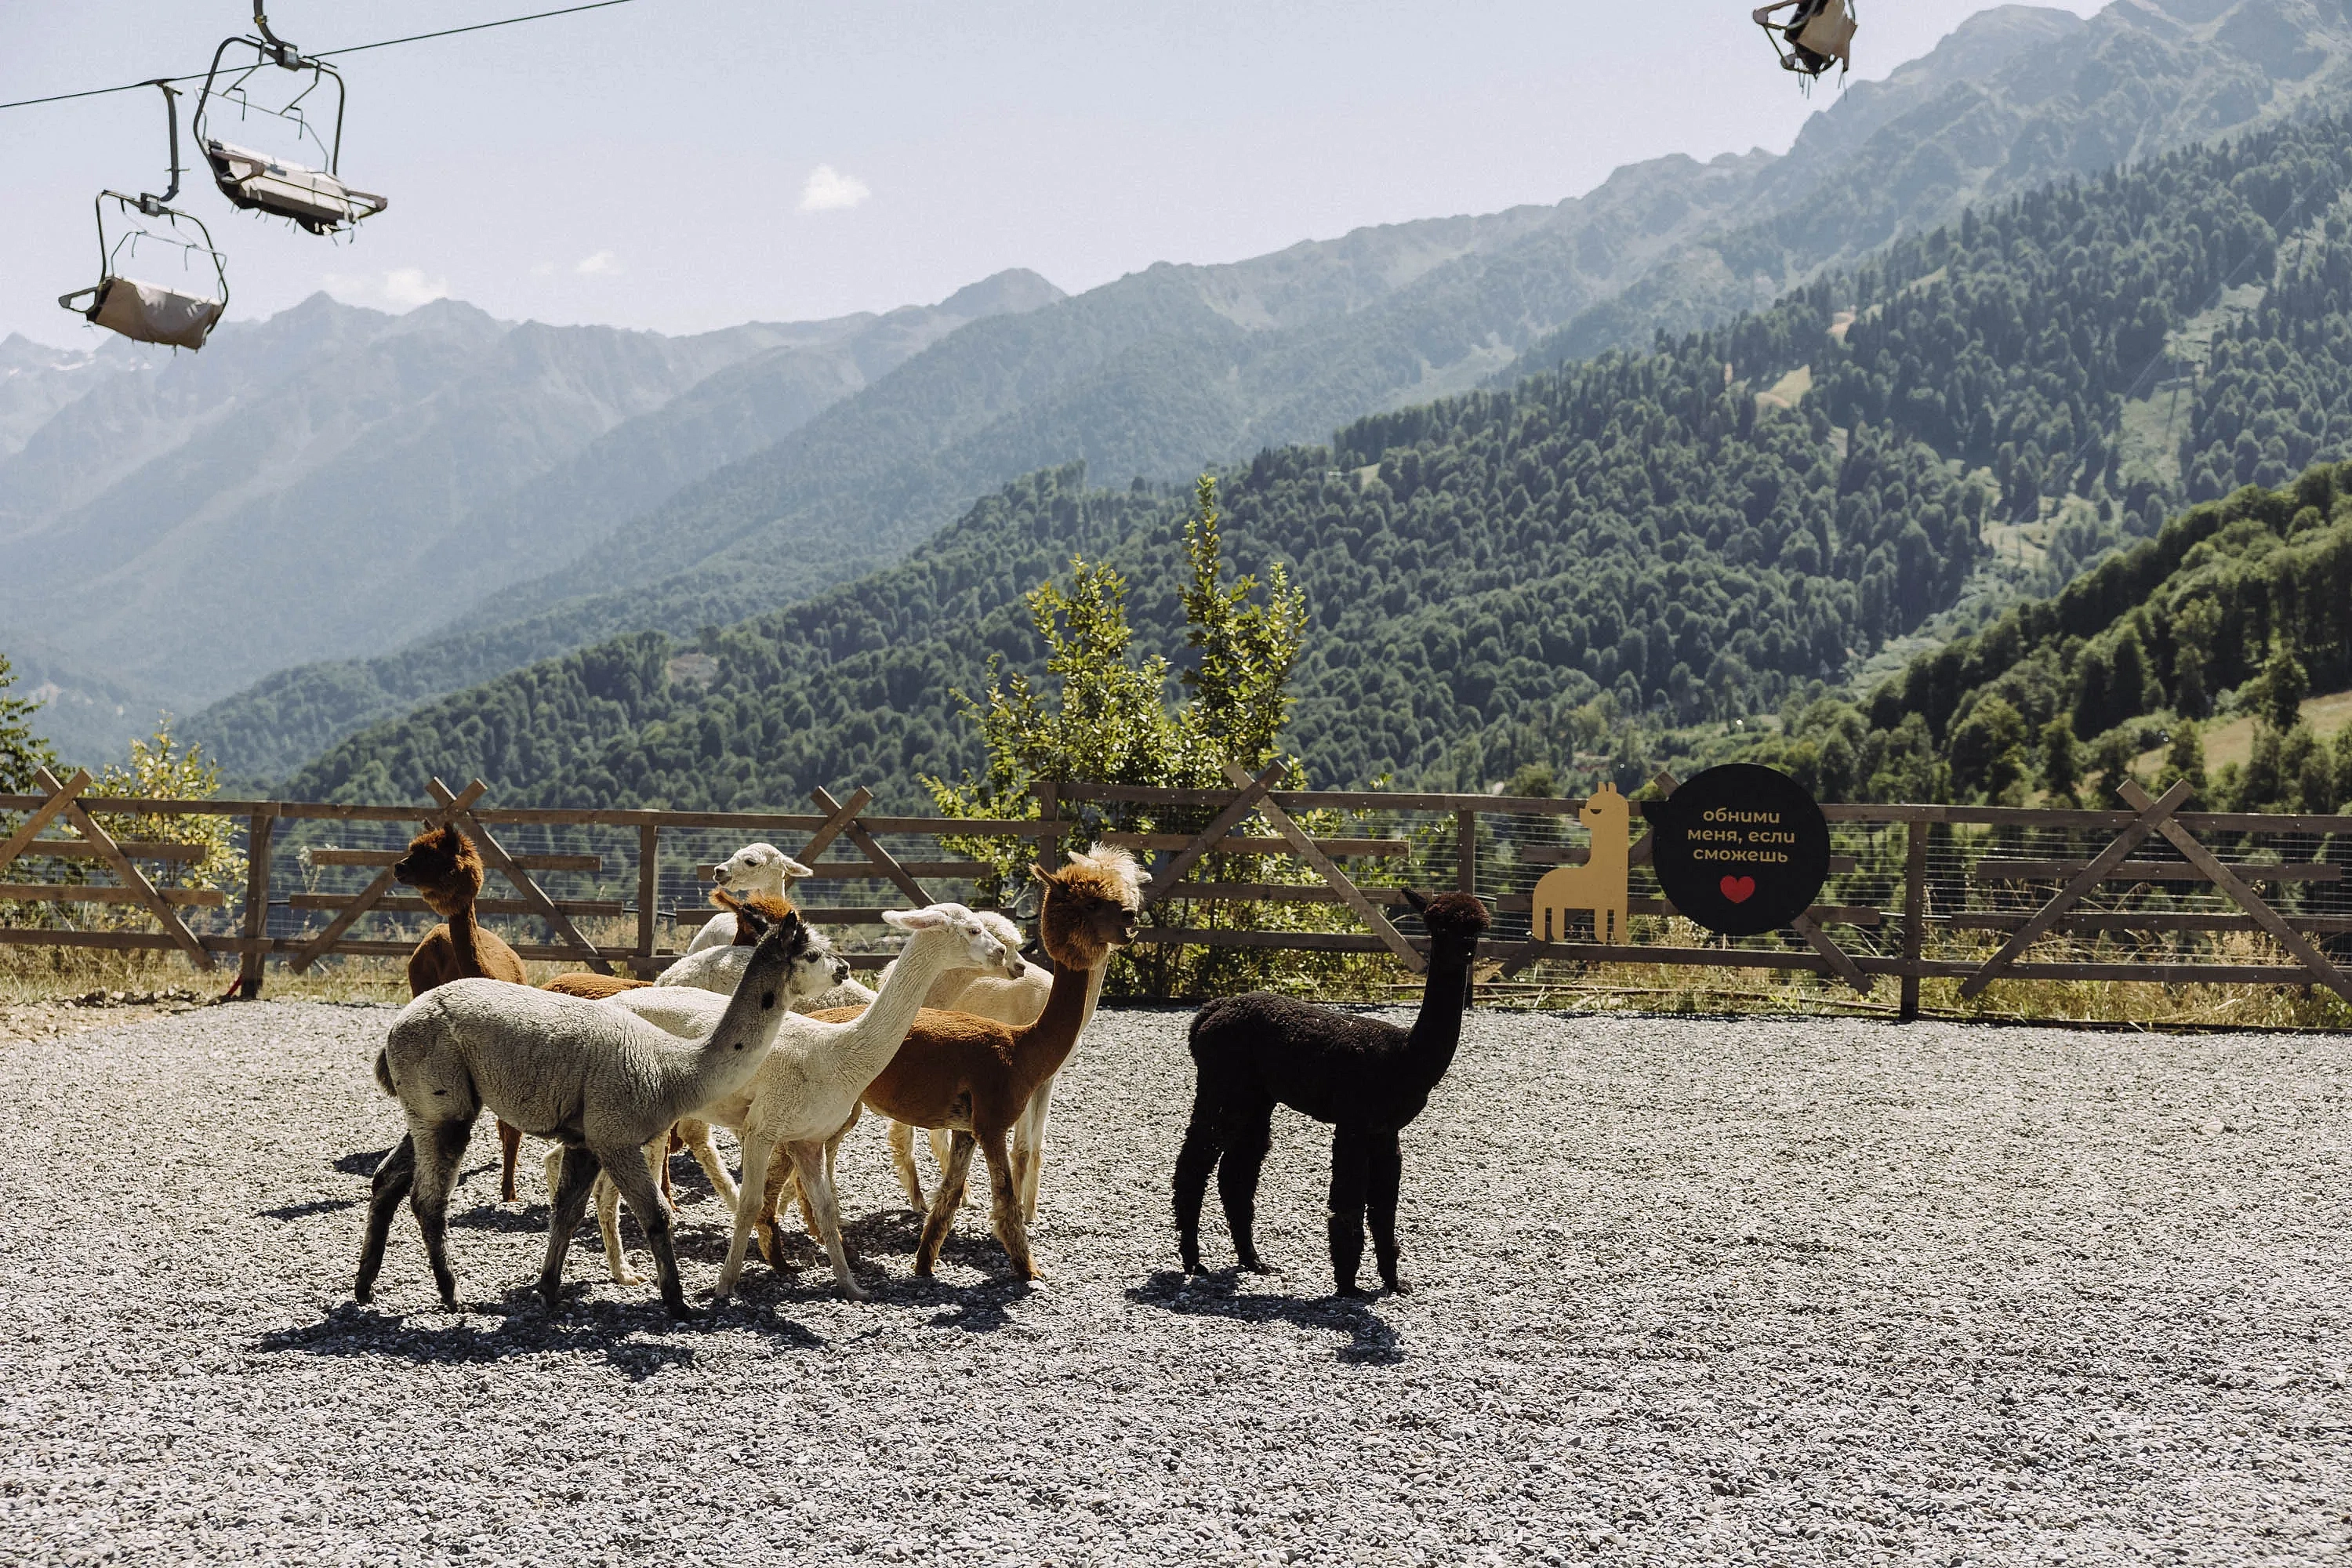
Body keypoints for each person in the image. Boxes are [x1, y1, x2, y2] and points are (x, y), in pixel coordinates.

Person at [1754, 0, 1844, 78]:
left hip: (1815, 31)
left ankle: (1799, 55)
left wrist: (1768, 9)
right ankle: (1799, 55)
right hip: (1813, 32)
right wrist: (1767, 10)